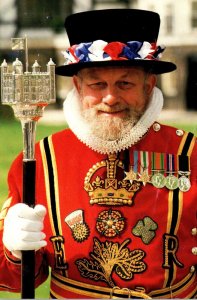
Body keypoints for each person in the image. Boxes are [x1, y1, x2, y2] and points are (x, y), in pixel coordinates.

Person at [0, 8, 196, 299]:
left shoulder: (190, 153)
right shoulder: (40, 160)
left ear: (149, 85)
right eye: (97, 84)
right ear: (77, 86)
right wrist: (14, 251)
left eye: (125, 83)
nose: (110, 97)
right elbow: (16, 279)